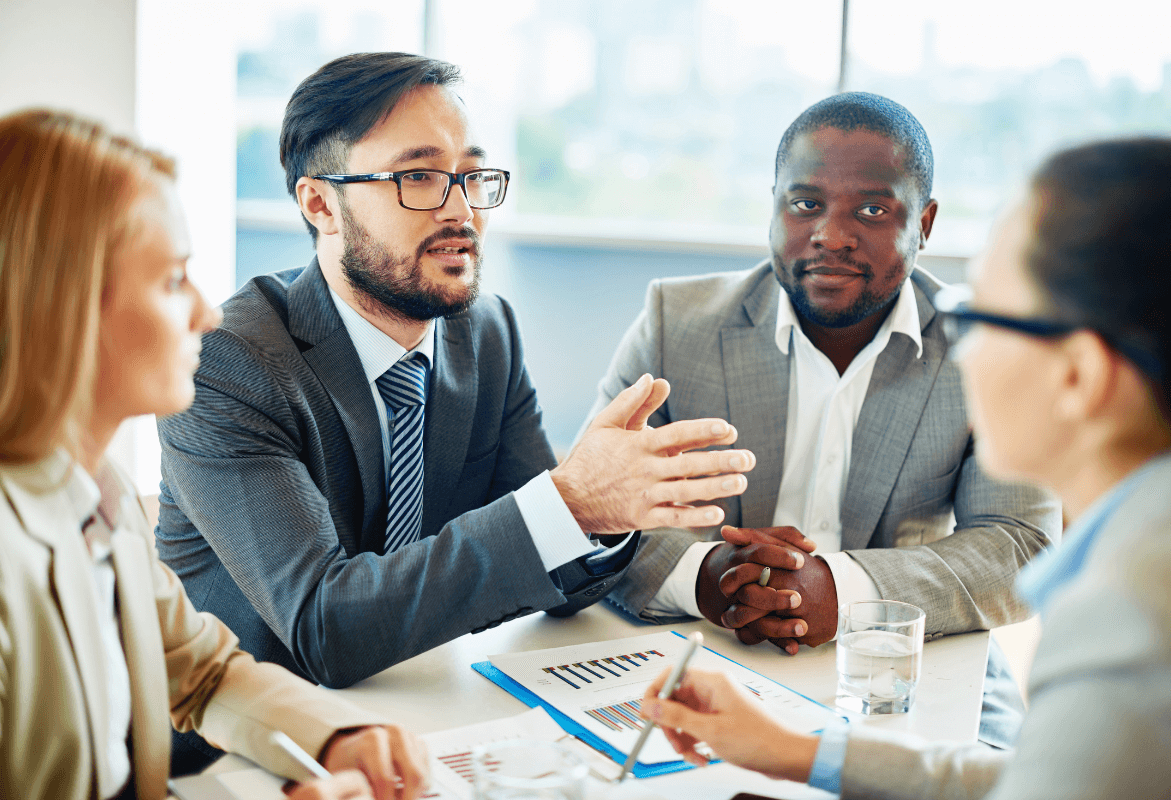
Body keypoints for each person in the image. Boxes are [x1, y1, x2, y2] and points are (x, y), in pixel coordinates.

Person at [156, 53, 752, 689]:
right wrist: (568, 502)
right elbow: (325, 628)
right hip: (247, 748)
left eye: (471, 177)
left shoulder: (484, 332)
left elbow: (551, 571)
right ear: (321, 206)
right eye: (418, 177)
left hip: (431, 703)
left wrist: (607, 510)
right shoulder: (228, 362)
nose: (461, 211)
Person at [641, 136, 1171, 799]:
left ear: (1080, 375)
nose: (958, 351)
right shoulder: (1158, 549)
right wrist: (789, 751)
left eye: (979, 315)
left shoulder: (1136, 609)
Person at [592, 92, 1060, 747]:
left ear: (924, 224)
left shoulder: (989, 351)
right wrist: (706, 577)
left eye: (871, 209)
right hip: (704, 652)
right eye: (805, 203)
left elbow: (1021, 546)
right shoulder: (676, 323)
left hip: (915, 668)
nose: (831, 234)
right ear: (775, 205)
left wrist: (839, 591)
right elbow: (595, 515)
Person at [0, 110, 429, 800]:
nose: (208, 312)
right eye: (173, 281)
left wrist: (340, 736)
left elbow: (201, 673)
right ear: (65, 302)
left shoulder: (91, 494)